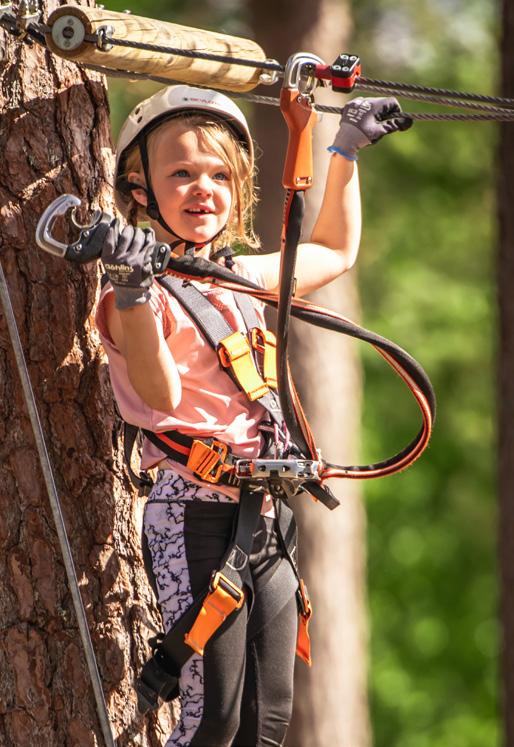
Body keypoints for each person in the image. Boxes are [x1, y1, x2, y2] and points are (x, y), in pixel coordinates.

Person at [95, 84, 411, 747]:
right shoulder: (136, 294)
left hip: (265, 518)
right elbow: (159, 397)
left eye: (218, 174)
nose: (202, 188)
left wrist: (345, 148)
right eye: (180, 172)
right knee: (211, 718)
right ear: (139, 187)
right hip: (193, 511)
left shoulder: (238, 276)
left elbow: (333, 251)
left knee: (265, 723)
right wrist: (131, 286)